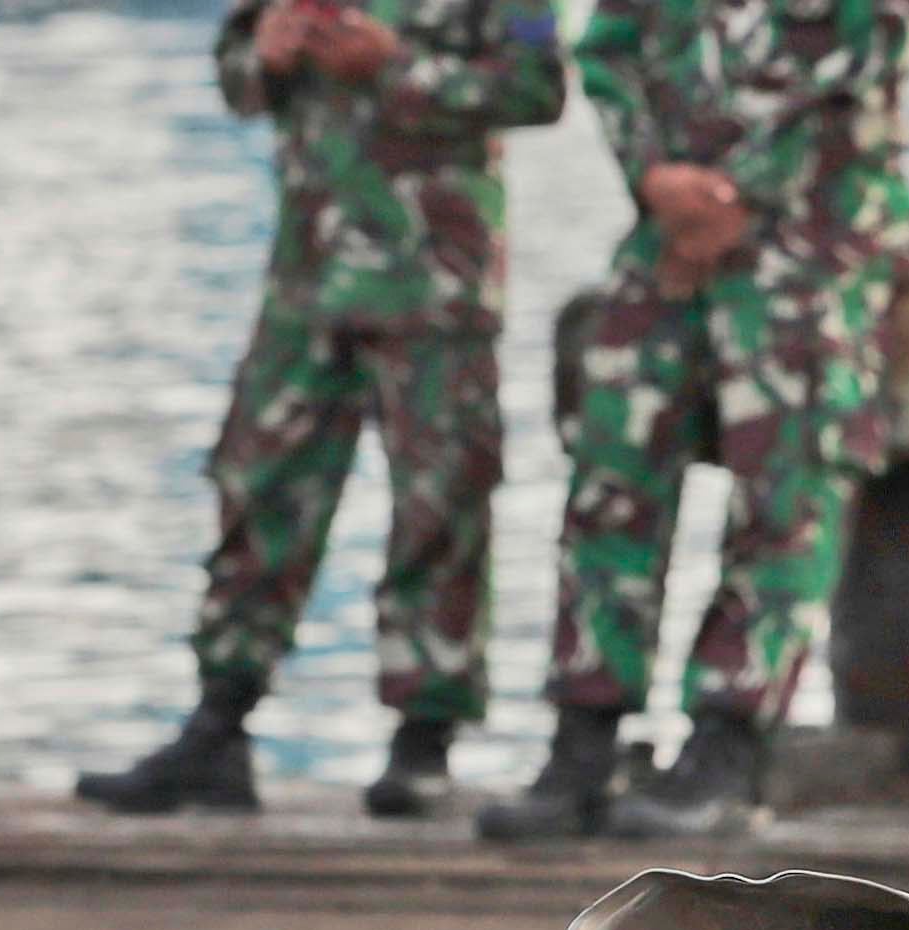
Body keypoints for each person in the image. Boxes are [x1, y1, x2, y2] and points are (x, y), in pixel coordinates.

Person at [79, 0, 568, 820]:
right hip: (305, 280)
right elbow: (237, 77)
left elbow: (538, 89)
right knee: (258, 487)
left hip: (434, 281)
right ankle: (219, 726)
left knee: (441, 501)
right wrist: (266, 58)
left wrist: (393, 67)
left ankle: (423, 744)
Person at [476, 0, 909, 843]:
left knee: (785, 492)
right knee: (610, 473)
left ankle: (728, 747)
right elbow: (608, 52)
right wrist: (658, 181)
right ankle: (587, 737)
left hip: (810, 238)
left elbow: (883, 38)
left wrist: (735, 193)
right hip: (667, 233)